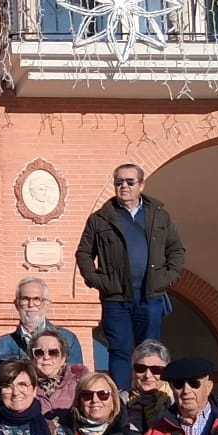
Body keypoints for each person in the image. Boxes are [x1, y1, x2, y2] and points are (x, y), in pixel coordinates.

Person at [77, 163, 187, 393]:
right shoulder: (100, 219)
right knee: (119, 348)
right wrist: (97, 280)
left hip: (151, 295)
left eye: (129, 182)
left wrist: (167, 278)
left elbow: (176, 249)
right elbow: (84, 253)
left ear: (141, 185)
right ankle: (122, 397)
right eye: (118, 182)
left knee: (151, 350)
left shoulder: (159, 215)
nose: (123, 186)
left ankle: (153, 396)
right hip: (116, 298)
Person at [0, 279, 87, 371]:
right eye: (25, 299)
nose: (31, 304)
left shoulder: (68, 339)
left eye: (37, 299)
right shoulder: (2, 345)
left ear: (47, 304)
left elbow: (76, 381)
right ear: (16, 304)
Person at [30, 329, 90, 415]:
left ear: (63, 358)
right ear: (32, 358)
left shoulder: (79, 384)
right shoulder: (24, 385)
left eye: (53, 352)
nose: (46, 357)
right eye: (39, 352)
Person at [124, 341, 174, 431]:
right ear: (132, 370)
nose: (147, 375)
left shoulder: (177, 401)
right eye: (140, 368)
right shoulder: (118, 401)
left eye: (156, 369)